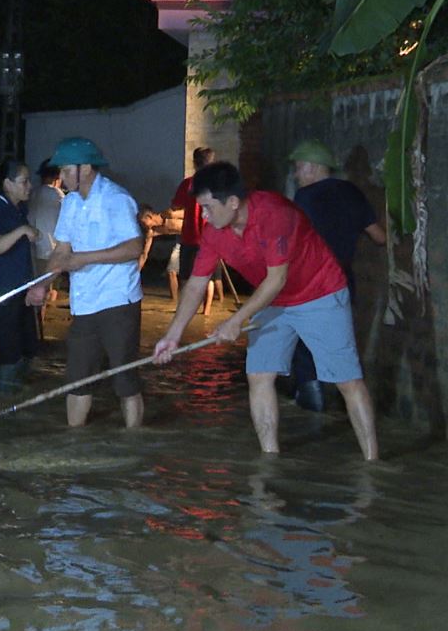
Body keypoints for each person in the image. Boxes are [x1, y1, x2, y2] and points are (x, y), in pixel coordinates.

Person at [152, 161, 379, 460]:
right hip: (273, 301)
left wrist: (236, 320)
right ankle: (269, 458)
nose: (203, 216)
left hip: (319, 293)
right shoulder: (214, 232)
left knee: (347, 380)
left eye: (207, 207)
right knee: (259, 375)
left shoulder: (274, 214)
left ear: (233, 202)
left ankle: (372, 460)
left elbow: (276, 279)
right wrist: (173, 336)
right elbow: (195, 285)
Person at [27, 137, 144, 429]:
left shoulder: (116, 199)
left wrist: (87, 259)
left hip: (118, 300)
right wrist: (43, 283)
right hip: (84, 303)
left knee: (124, 376)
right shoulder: (71, 204)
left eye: (67, 170)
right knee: (78, 378)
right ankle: (73, 438)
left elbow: (134, 248)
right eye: (61, 171)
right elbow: (61, 251)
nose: (62, 177)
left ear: (87, 168)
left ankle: (135, 440)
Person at [287, 139, 387, 412]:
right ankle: (344, 396)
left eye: (298, 168)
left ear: (313, 167)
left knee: (302, 336)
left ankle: (310, 391)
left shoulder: (305, 198)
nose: (296, 175)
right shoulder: (352, 192)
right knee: (339, 339)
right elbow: (379, 237)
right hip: (342, 280)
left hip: (308, 282)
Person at [0, 161, 38, 394]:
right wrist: (22, 231)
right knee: (9, 353)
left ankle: (18, 402)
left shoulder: (19, 209)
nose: (29, 186)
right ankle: (0, 402)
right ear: (7, 184)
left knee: (28, 348)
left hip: (21, 290)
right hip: (4, 293)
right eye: (24, 181)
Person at [171, 146, 221, 316]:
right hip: (213, 239)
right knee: (210, 277)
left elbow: (176, 205)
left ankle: (184, 310)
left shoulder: (188, 183)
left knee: (186, 277)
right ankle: (206, 311)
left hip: (190, 237)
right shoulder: (217, 185)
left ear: (194, 163)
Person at [27, 159, 64, 305]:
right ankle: (38, 322)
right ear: (57, 178)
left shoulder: (33, 193)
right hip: (50, 249)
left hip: (32, 248)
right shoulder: (58, 195)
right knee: (44, 292)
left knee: (35, 287)